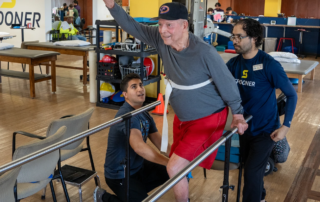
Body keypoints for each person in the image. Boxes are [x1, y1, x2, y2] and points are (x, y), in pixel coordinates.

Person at [101, 1, 248, 201]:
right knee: (174, 162)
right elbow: (131, 25)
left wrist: (238, 114)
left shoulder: (205, 53)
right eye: (160, 24)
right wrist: (112, 6)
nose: (163, 30)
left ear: (185, 26)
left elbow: (227, 84)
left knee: (175, 166)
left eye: (169, 25)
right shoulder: (161, 39)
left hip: (208, 119)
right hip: (182, 118)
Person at [226, 19, 298, 202]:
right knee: (250, 169)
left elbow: (292, 95)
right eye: (233, 36)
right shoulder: (234, 64)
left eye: (239, 36)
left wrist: (286, 126)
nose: (234, 40)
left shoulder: (269, 65)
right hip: (243, 128)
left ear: (254, 38)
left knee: (251, 172)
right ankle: (261, 197)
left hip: (266, 130)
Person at [93, 73, 171, 202]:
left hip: (138, 168)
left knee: (174, 172)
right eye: (134, 87)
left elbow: (161, 143)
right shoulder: (127, 116)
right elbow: (139, 147)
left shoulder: (144, 113)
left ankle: (134, 194)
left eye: (141, 85)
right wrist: (169, 163)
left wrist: (177, 160)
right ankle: (104, 198)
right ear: (125, 94)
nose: (140, 89)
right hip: (120, 175)